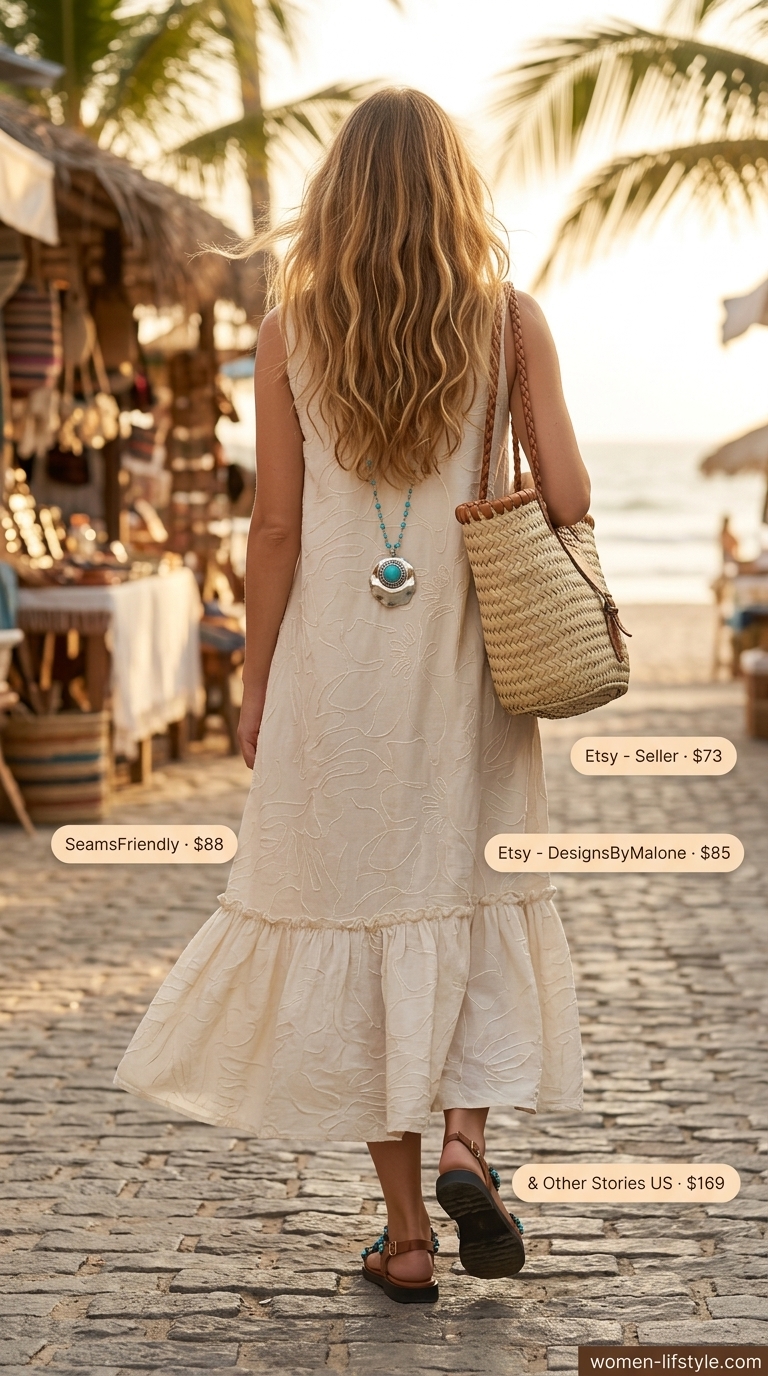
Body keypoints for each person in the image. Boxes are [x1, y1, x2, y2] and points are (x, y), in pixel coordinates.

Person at [115, 88, 588, 1304]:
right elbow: (572, 494)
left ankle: (405, 1234)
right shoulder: (508, 322)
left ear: (339, 196)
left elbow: (272, 527)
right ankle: (468, 1149)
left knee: (364, 911)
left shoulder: (289, 332)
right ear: (454, 195)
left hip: (343, 684)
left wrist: (255, 678)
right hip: (474, 671)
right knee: (471, 893)